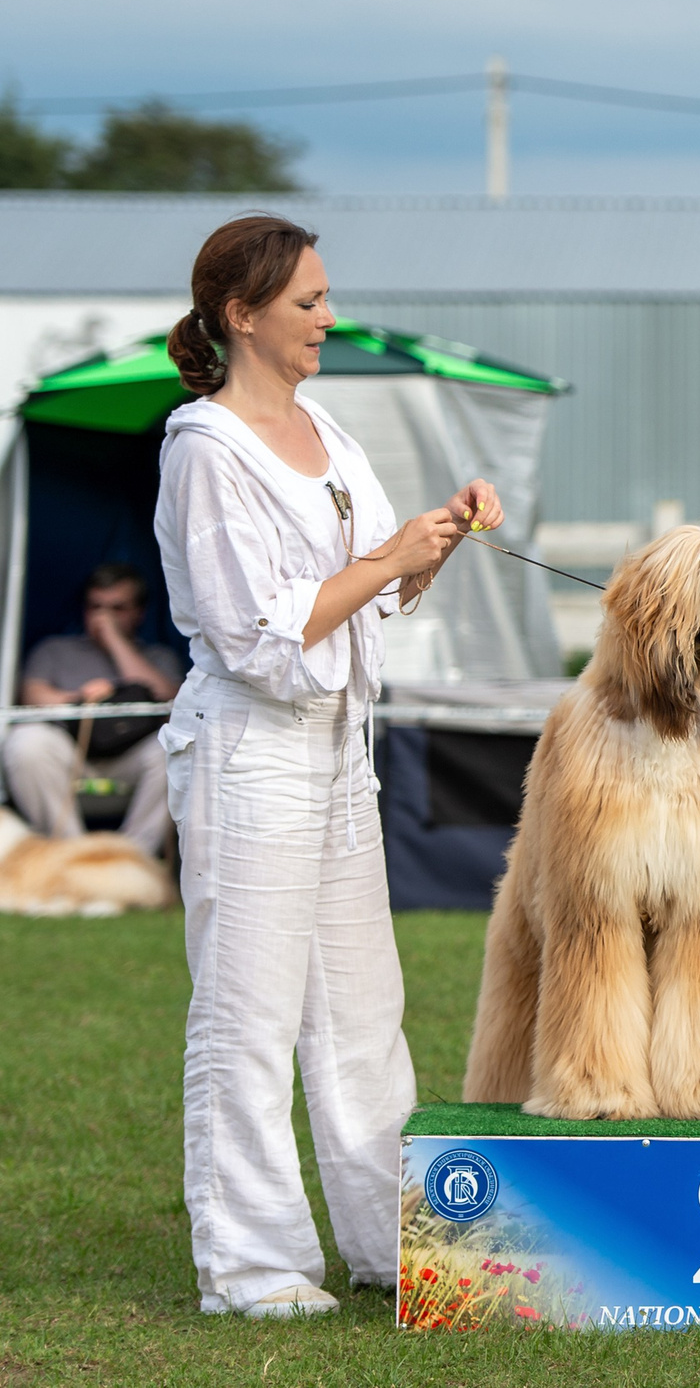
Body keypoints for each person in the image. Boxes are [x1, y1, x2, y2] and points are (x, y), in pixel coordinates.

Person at [156, 215, 502, 1317]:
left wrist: (429, 544)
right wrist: (388, 556)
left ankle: (386, 1243)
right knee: (248, 1018)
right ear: (241, 315)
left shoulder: (328, 432)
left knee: (362, 1012)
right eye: (308, 301)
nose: (328, 317)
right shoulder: (203, 449)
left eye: (325, 296)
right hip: (249, 752)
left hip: (339, 751)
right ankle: (252, 1268)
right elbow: (259, 634)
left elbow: (375, 599)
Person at [5, 562, 185, 854]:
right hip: (71, 761)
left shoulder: (158, 655)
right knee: (27, 741)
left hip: (131, 764)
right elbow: (31, 696)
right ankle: (72, 856)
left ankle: (132, 859)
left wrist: (114, 640)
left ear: (139, 613)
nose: (103, 617)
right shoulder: (54, 650)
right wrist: (79, 697)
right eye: (96, 607)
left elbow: (172, 697)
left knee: (176, 747)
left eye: (117, 608)